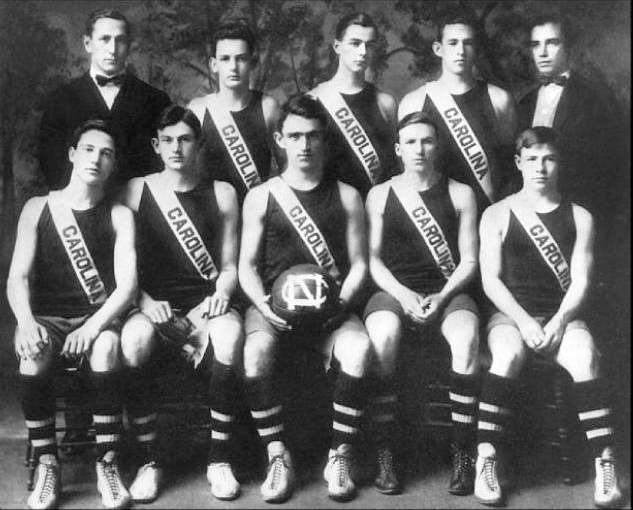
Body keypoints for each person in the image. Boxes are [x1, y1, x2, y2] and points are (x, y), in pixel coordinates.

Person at [474, 127, 623, 508]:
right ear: (518, 163)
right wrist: (524, 321)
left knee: (585, 356)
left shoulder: (580, 216)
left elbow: (582, 280)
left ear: (560, 163)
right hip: (511, 316)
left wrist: (558, 321)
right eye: (532, 159)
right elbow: (490, 281)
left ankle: (605, 462)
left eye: (549, 159)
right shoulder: (497, 213)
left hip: (562, 315)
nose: (540, 167)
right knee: (506, 355)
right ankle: (486, 457)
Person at [239, 95, 371, 503]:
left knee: (359, 349)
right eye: (295, 136)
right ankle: (277, 456)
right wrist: (263, 306)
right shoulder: (262, 195)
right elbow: (246, 266)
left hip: (331, 311)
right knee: (254, 352)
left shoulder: (347, 195)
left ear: (325, 140)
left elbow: (360, 264)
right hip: (273, 310)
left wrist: (341, 304)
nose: (305, 145)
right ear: (280, 140)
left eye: (313, 136)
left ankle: (339, 456)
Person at [6, 119, 137, 509]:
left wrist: (93, 327)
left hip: (97, 317)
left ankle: (107, 463)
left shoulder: (119, 214)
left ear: (114, 164)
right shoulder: (38, 208)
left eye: (106, 153)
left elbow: (127, 287)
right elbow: (17, 277)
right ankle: (49, 463)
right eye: (89, 150)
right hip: (47, 318)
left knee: (107, 348)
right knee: (32, 353)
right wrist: (25, 322)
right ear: (72, 154)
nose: (96, 159)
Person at [120, 105, 244, 503]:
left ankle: (219, 460)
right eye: (168, 140)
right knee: (133, 343)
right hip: (150, 303)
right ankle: (149, 461)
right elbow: (119, 265)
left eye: (185, 139)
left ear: (199, 144)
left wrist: (221, 293)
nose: (176, 148)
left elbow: (229, 266)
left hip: (205, 302)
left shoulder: (222, 192)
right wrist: (143, 301)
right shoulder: (136, 190)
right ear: (156, 145)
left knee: (229, 338)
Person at [364, 112, 480, 496]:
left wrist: (442, 297)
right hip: (395, 290)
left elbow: (469, 260)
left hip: (448, 290)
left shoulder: (460, 193)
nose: (419, 149)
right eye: (411, 142)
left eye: (427, 141)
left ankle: (462, 454)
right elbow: (373, 261)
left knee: (466, 338)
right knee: (383, 335)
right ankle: (386, 452)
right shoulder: (380, 194)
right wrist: (402, 295)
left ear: (438, 146)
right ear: (398, 150)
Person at [398, 8, 517, 215]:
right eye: (452, 43)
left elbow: (511, 166)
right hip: (436, 217)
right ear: (438, 49)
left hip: (488, 216)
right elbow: (407, 173)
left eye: (467, 43)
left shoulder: (499, 99)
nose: (461, 51)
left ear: (476, 48)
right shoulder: (413, 102)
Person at [39, 8, 171, 191]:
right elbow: (51, 163)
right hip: (81, 204)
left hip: (140, 202)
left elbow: (165, 162)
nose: (113, 49)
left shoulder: (156, 100)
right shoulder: (60, 100)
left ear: (129, 45)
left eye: (120, 40)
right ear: (88, 43)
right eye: (105, 39)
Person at [517, 13, 624, 229]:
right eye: (536, 45)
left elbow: (614, 166)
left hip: (583, 214)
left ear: (568, 47)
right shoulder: (525, 103)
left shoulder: (596, 96)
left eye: (552, 43)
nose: (543, 52)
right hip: (532, 218)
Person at [187, 21, 281, 204]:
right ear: (214, 64)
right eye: (225, 59)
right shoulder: (198, 109)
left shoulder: (268, 107)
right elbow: (185, 173)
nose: (233, 67)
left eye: (241, 58)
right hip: (210, 211)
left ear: (252, 63)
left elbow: (288, 168)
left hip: (257, 210)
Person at [307, 12, 399, 200]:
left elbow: (397, 164)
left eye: (369, 45)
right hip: (333, 206)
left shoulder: (386, 103)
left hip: (379, 207)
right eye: (355, 43)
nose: (363, 52)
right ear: (337, 46)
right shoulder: (313, 101)